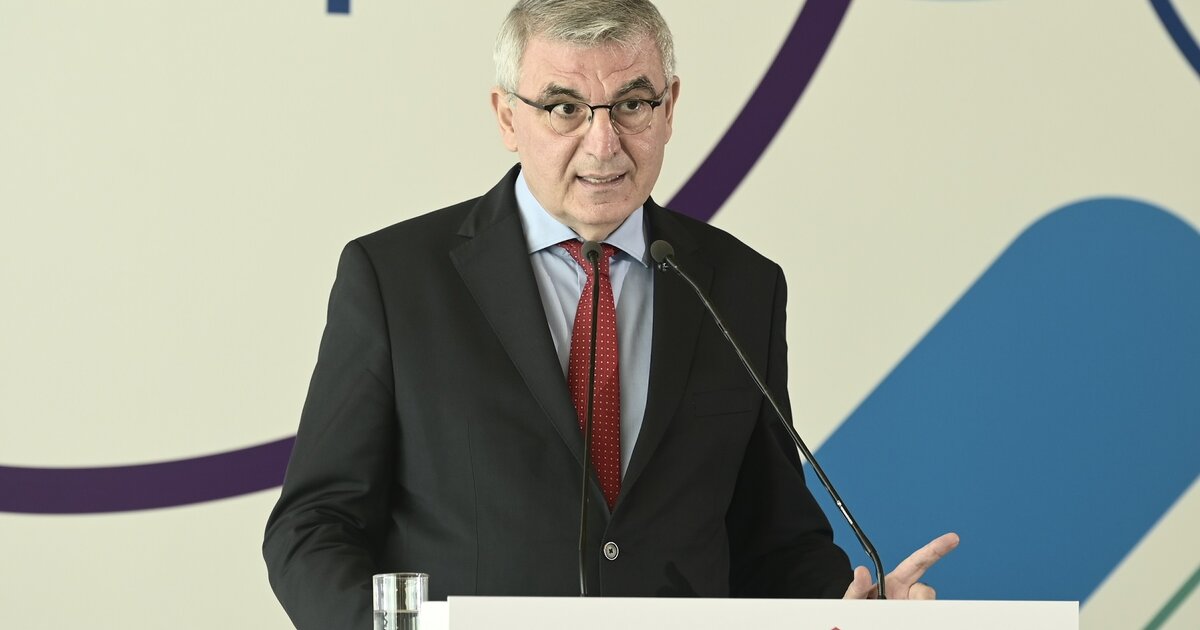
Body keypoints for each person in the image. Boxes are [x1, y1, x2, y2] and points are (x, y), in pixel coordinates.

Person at [263, 1, 958, 627]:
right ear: (507, 117)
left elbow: (770, 540)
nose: (603, 144)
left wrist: (856, 614)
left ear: (669, 107)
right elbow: (313, 527)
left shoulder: (740, 285)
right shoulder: (396, 279)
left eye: (631, 104)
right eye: (564, 108)